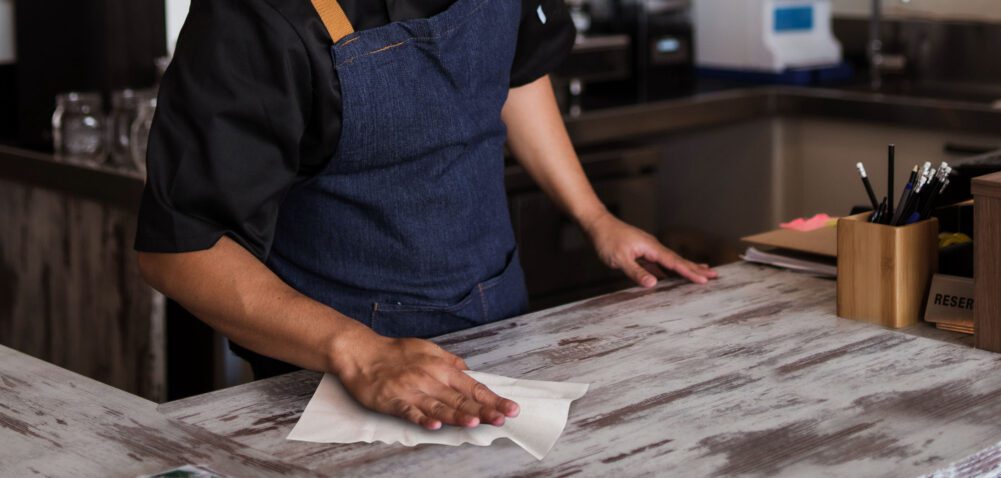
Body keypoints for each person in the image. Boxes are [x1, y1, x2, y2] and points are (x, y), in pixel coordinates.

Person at [135, 0, 717, 431]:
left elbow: (513, 71)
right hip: (330, 385)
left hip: (506, 345)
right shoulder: (253, 17)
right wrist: (357, 351)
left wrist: (595, 217)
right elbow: (180, 249)